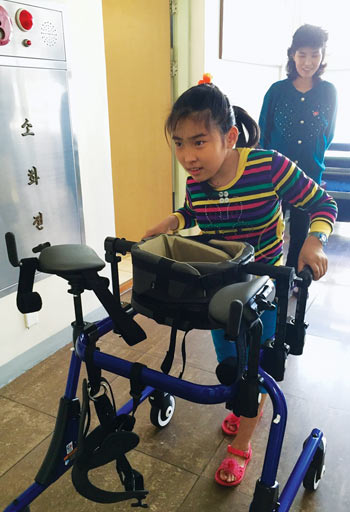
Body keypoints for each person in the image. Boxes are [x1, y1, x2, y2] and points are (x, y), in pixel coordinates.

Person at [143, 76, 337, 486]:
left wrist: (314, 243)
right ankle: (244, 400)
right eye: (178, 143)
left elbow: (322, 201)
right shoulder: (198, 180)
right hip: (219, 285)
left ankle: (242, 445)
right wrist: (175, 220)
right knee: (229, 360)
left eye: (199, 141)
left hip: (263, 289)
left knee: (253, 366)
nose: (188, 156)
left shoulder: (268, 166)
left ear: (229, 137)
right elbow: (194, 210)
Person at [259, 24, 338, 279]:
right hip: (275, 174)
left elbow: (329, 134)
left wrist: (313, 157)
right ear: (292, 55)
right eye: (302, 54)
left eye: (315, 54)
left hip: (310, 173)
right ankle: (266, 273)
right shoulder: (277, 90)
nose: (308, 61)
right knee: (270, 225)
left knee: (302, 229)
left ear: (322, 56)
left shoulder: (329, 92)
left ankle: (292, 275)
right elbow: (264, 130)